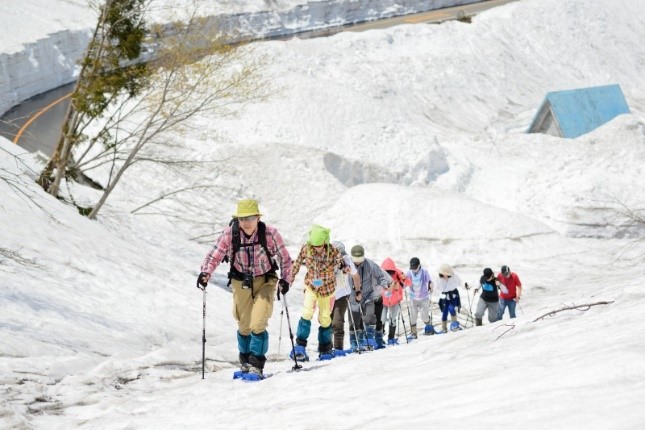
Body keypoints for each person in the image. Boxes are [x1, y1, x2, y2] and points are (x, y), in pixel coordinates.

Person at [198, 199, 292, 379]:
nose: (246, 222)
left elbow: (285, 260)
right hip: (240, 280)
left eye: (250, 218)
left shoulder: (270, 234)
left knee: (258, 321)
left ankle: (257, 363)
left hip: (265, 279)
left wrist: (285, 280)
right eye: (242, 219)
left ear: (258, 217)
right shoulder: (230, 234)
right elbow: (214, 255)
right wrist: (205, 273)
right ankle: (245, 361)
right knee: (244, 324)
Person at [290, 225, 344, 360]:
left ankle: (325, 349)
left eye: (319, 246)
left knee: (325, 319)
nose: (317, 248)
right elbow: (296, 264)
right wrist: (289, 278)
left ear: (325, 242)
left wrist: (344, 266)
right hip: (312, 286)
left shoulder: (333, 251)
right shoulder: (306, 249)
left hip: (327, 289)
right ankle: (300, 346)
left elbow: (339, 261)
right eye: (315, 246)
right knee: (307, 312)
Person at [348, 245, 391, 351]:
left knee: (370, 316)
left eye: (360, 259)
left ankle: (369, 339)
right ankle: (354, 343)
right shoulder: (347, 265)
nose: (358, 262)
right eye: (355, 259)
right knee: (354, 321)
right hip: (353, 297)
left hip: (368, 296)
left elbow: (381, 276)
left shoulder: (370, 264)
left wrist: (385, 284)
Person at [331, 241, 361, 354]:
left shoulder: (347, 260)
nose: (342, 257)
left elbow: (356, 276)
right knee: (326, 321)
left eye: (343, 254)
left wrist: (358, 291)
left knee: (337, 322)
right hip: (328, 295)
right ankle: (326, 349)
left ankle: (338, 349)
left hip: (342, 294)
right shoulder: (327, 260)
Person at [381, 257, 411, 345]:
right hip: (384, 301)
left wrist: (404, 278)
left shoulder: (398, 273)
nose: (389, 273)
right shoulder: (380, 274)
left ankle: (391, 338)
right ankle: (380, 338)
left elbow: (409, 283)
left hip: (395, 301)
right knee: (382, 319)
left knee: (392, 319)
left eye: (390, 271)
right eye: (387, 271)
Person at [405, 257, 433, 338]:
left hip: (424, 298)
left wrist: (431, 285)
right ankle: (413, 333)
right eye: (412, 268)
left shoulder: (424, 272)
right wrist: (401, 285)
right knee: (413, 316)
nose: (414, 269)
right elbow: (405, 282)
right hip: (413, 299)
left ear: (419, 265)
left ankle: (429, 328)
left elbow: (429, 281)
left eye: (415, 268)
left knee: (424, 316)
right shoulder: (409, 273)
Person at [435, 263, 462, 333]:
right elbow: (436, 288)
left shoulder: (455, 277)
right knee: (444, 312)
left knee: (451, 308)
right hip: (444, 297)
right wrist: (430, 289)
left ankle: (454, 324)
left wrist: (466, 285)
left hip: (453, 296)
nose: (446, 276)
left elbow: (461, 283)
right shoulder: (438, 279)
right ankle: (444, 328)